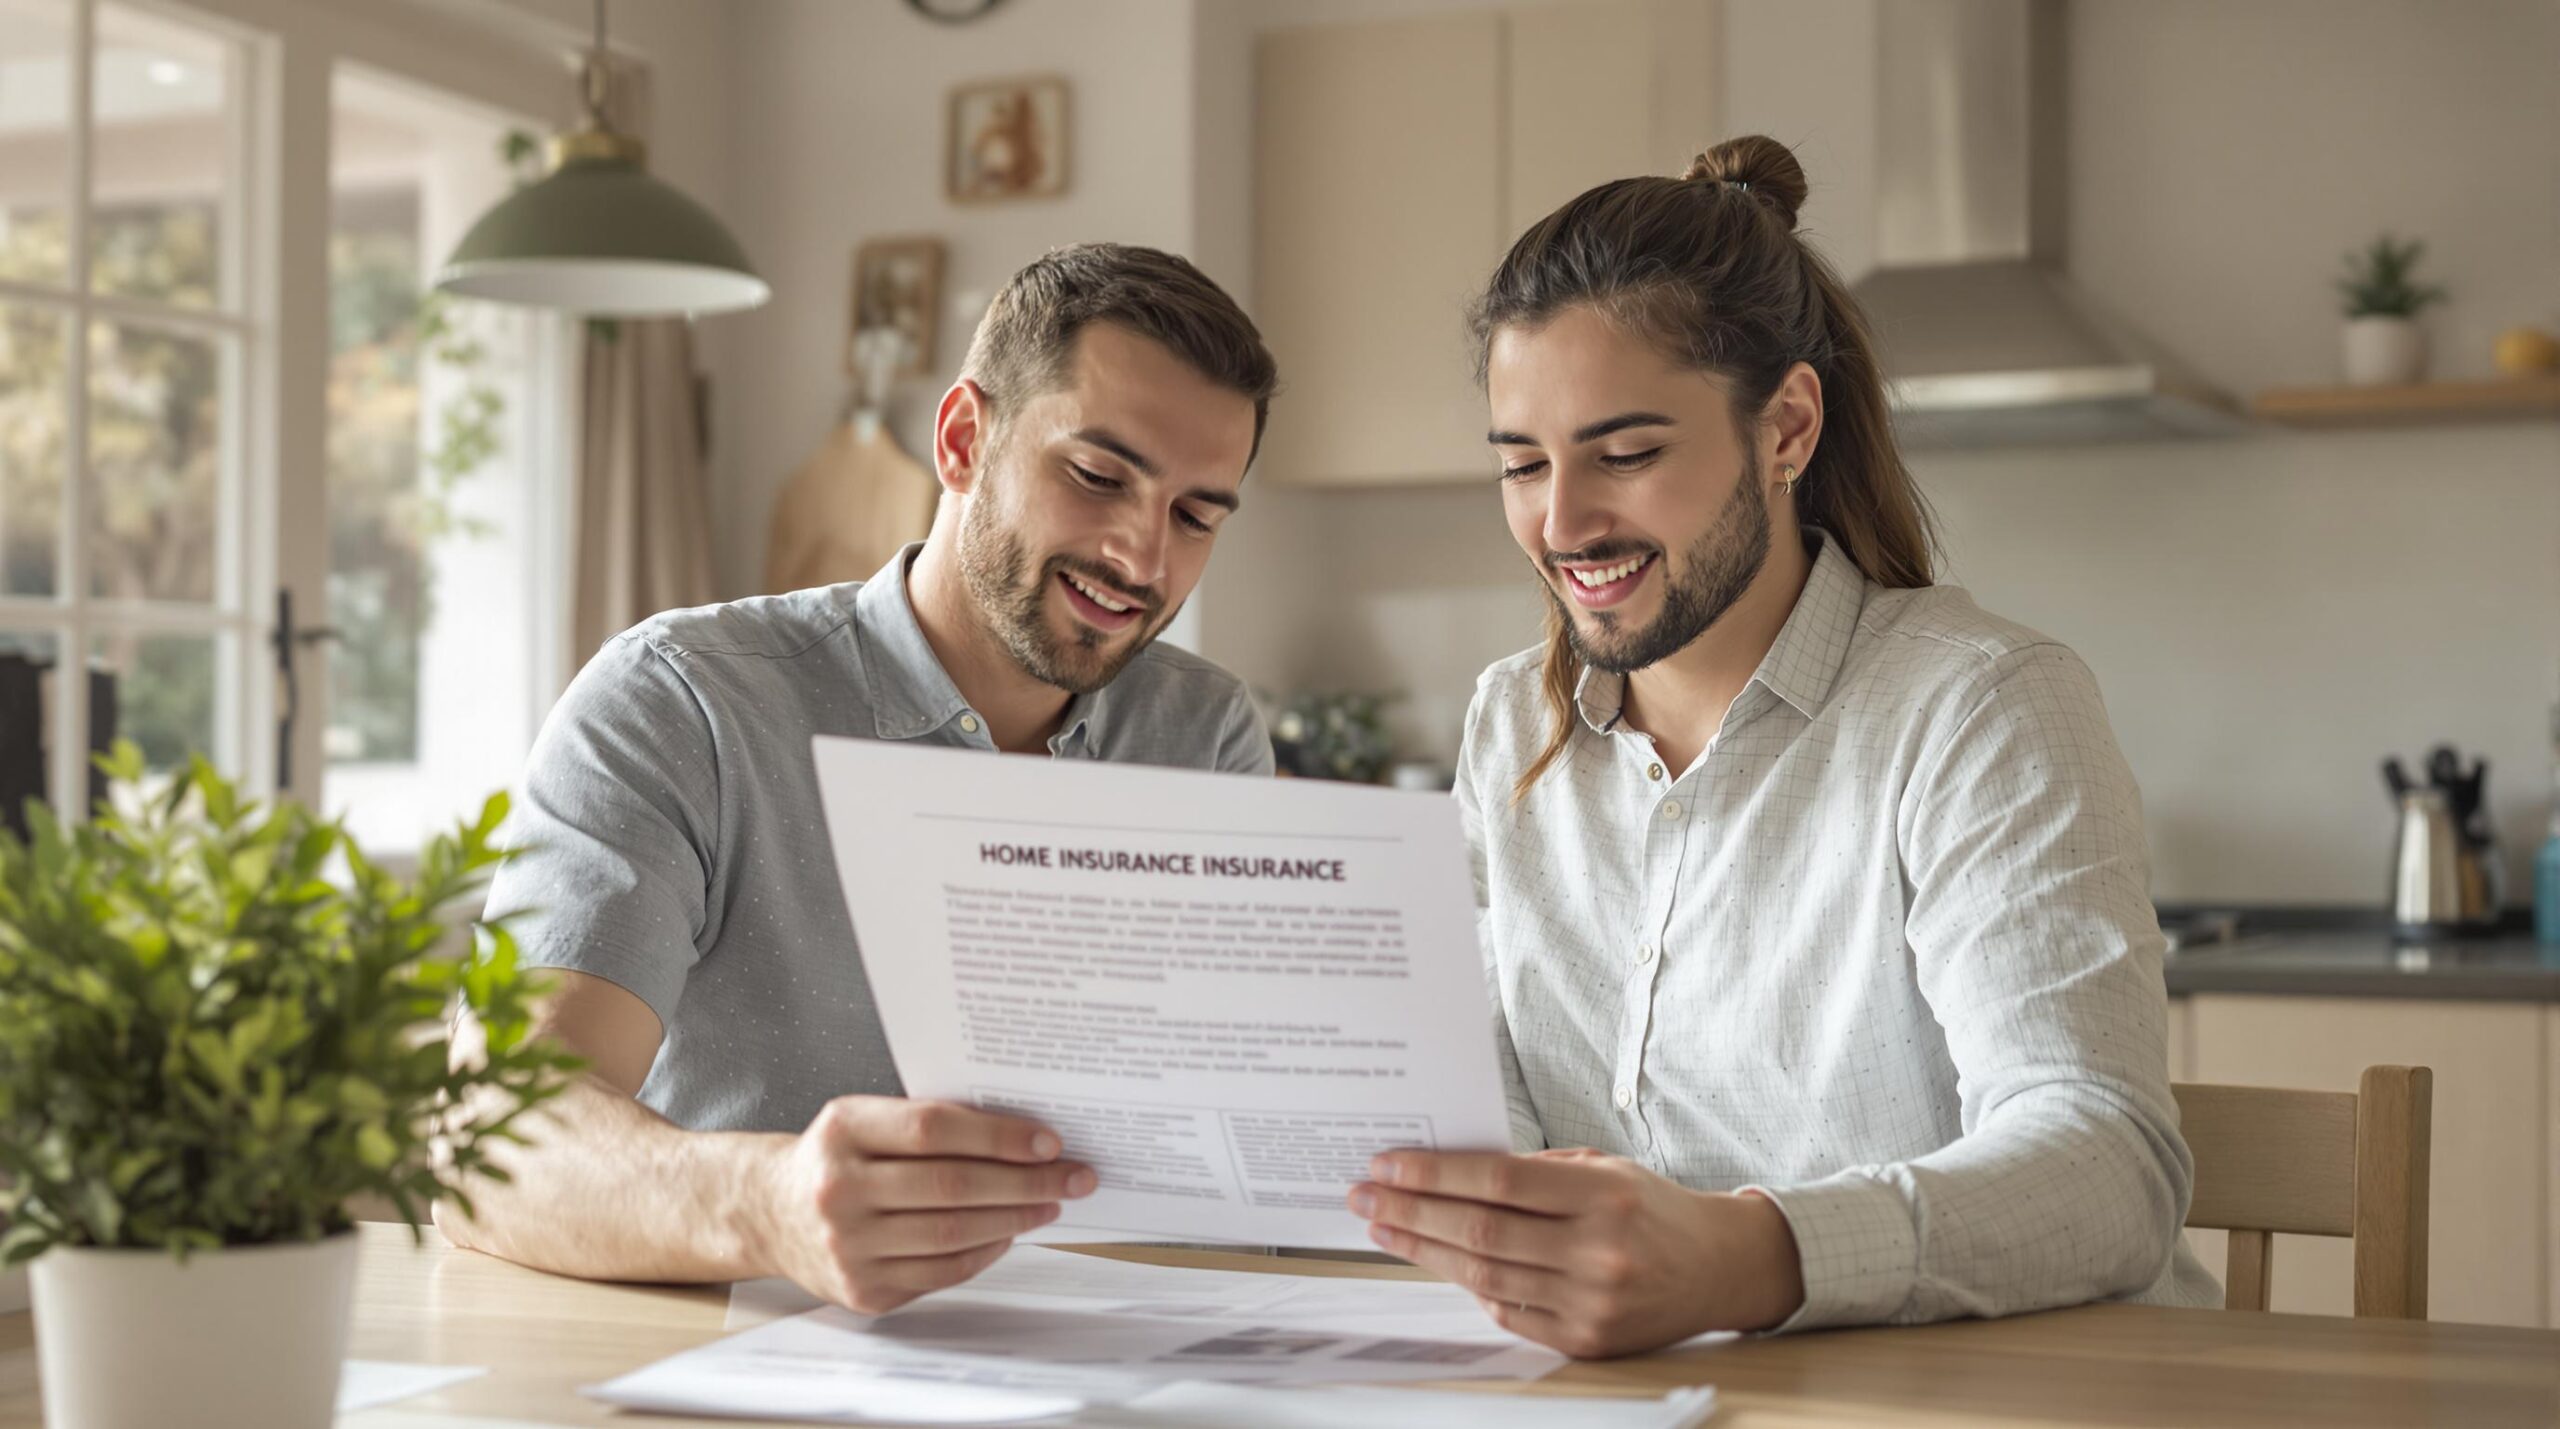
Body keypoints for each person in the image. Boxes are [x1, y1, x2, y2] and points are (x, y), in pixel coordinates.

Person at [1346, 136, 2222, 1356]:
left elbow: (2107, 1165)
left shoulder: (1979, 707)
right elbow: (1477, 1094)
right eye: (1522, 464)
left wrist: (1740, 1257)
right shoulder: (1512, 725)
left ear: (1787, 429)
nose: (1562, 522)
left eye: (1626, 454)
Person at [436, 243, 1279, 1315]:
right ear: (963, 440)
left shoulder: (1205, 736)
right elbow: (491, 1141)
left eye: (1196, 516)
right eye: (1098, 477)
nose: (1142, 558)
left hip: (1125, 1360)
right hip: (731, 1358)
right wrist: (771, 1205)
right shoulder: (680, 701)